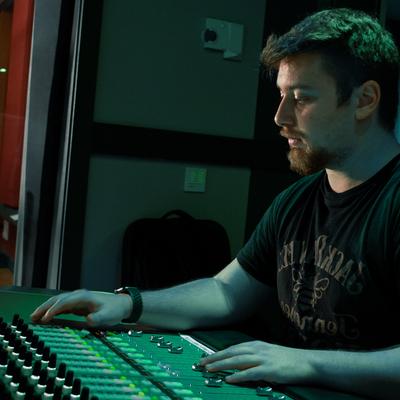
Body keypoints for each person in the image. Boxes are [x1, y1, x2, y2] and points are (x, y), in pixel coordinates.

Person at [31, 8, 400, 400]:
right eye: (281, 96)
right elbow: (227, 292)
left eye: (301, 98)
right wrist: (128, 304)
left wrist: (306, 362)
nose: (280, 117)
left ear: (365, 100)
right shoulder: (296, 201)